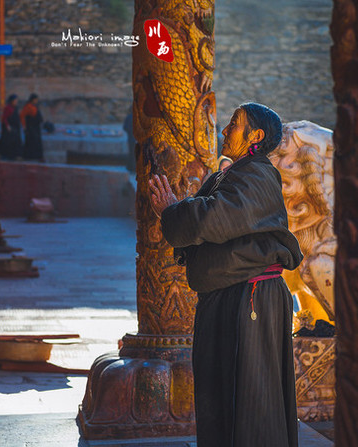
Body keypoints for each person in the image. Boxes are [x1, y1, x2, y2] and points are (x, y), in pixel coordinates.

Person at [149, 103, 303, 447]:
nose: (223, 131)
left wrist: (174, 210)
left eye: (233, 125)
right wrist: (178, 211)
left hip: (250, 300)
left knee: (251, 398)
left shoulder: (258, 173)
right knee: (222, 395)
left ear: (256, 137)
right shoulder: (235, 173)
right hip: (231, 295)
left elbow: (214, 219)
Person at [0, 94, 23, 160]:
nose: (16, 101)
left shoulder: (16, 107)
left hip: (16, 127)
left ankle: (16, 155)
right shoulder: (8, 108)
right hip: (10, 128)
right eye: (15, 100)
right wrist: (7, 126)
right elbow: (5, 118)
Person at [20, 93, 44, 161]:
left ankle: (37, 156)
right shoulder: (28, 107)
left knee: (37, 142)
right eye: (36, 99)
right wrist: (24, 126)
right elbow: (22, 116)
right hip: (31, 128)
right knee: (31, 142)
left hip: (36, 128)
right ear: (32, 100)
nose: (37, 101)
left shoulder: (34, 106)